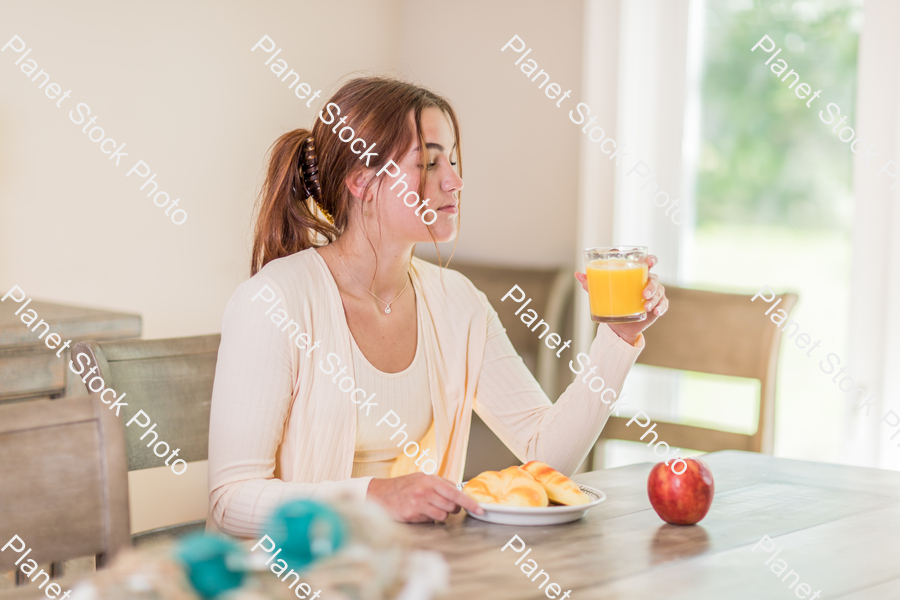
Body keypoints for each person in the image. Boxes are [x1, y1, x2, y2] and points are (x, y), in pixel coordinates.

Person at [207, 76, 667, 538]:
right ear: (362, 182)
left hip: (411, 577)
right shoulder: (274, 302)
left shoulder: (457, 302)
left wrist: (619, 337)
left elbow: (546, 455)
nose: (455, 180)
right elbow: (231, 500)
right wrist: (374, 496)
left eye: (452, 158)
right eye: (428, 161)